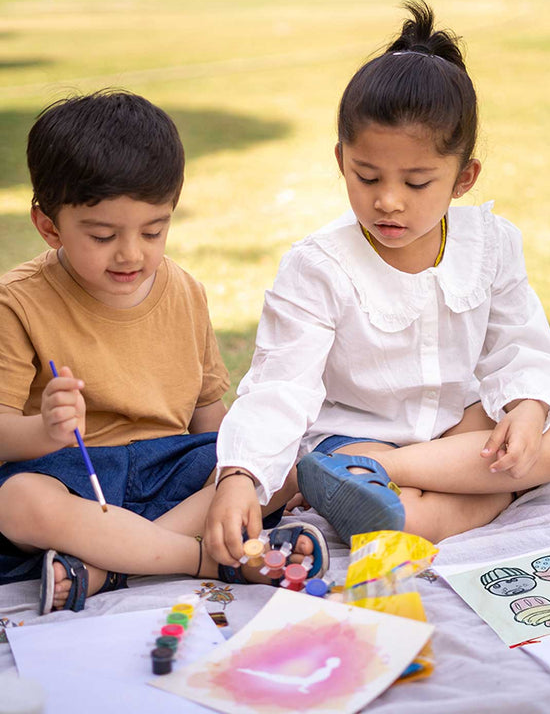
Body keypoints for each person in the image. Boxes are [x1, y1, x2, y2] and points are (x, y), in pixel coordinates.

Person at [207, 0, 550, 555]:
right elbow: (280, 385)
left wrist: (527, 410)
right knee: (412, 502)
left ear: (463, 178)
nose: (387, 201)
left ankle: (393, 474)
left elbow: (519, 347)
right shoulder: (317, 266)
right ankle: (438, 489)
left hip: (457, 431)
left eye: (416, 182)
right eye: (367, 176)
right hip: (351, 440)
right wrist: (240, 474)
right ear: (341, 161)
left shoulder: (490, 244)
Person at [0, 90, 328, 614]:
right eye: (103, 235)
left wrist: (236, 477)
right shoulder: (17, 302)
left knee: (281, 460)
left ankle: (105, 567)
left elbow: (208, 418)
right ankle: (207, 557)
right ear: (48, 225)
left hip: (169, 469)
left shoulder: (185, 290)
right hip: (73, 478)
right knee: (16, 504)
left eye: (154, 231)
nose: (132, 253)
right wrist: (44, 430)